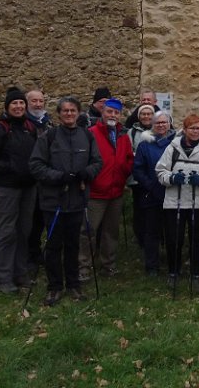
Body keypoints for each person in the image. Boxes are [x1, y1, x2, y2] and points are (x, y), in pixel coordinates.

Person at [29, 96, 103, 306]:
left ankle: (73, 284)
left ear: (78, 113)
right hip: (54, 200)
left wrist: (86, 173)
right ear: (59, 114)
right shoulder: (49, 136)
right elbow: (36, 165)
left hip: (77, 199)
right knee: (53, 245)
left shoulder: (87, 136)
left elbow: (97, 162)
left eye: (73, 110)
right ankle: (54, 287)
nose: (69, 114)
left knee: (73, 244)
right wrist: (59, 177)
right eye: (65, 111)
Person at [0, 86, 39, 293]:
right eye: (15, 103)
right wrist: (11, 167)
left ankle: (20, 273)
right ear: (7, 106)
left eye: (22, 103)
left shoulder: (30, 128)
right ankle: (4, 278)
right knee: (6, 232)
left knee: (24, 231)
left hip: (29, 187)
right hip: (8, 188)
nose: (19, 106)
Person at [156, 115, 199, 290]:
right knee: (174, 239)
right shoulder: (172, 149)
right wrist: (171, 178)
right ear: (184, 130)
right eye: (191, 128)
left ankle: (195, 273)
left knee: (196, 239)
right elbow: (160, 171)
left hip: (197, 203)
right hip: (173, 202)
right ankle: (173, 272)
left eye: (198, 128)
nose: (195, 131)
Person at [78, 97, 133, 280]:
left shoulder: (123, 135)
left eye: (116, 113)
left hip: (116, 191)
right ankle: (83, 265)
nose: (112, 115)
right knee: (88, 231)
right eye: (109, 111)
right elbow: (84, 159)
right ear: (103, 112)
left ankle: (108, 265)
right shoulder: (91, 133)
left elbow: (128, 158)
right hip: (96, 192)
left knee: (111, 231)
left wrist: (124, 172)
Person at [131, 110, 174, 275]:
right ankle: (152, 265)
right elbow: (138, 169)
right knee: (151, 232)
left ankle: (173, 264)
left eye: (164, 122)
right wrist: (150, 185)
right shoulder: (145, 145)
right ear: (153, 125)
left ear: (169, 124)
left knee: (171, 232)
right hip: (151, 194)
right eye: (158, 123)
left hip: (172, 193)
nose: (161, 125)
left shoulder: (176, 143)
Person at [24, 88, 52, 275]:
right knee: (30, 221)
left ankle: (41, 253)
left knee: (43, 218)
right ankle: (30, 255)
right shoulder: (23, 125)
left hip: (46, 180)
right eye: (34, 101)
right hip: (29, 180)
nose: (38, 104)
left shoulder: (47, 123)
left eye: (40, 101)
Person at [127, 104, 158, 250]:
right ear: (139, 116)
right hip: (137, 178)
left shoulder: (158, 130)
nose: (146, 116)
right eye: (143, 114)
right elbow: (128, 153)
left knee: (155, 210)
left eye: (149, 114)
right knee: (139, 209)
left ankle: (155, 237)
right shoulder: (132, 132)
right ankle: (141, 239)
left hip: (155, 178)